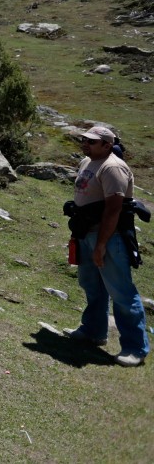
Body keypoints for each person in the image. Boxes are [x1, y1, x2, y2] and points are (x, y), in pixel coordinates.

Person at [63, 126, 149, 367]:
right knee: (91, 284)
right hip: (85, 233)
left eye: (92, 141)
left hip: (108, 237)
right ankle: (93, 331)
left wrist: (101, 244)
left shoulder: (113, 167)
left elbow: (114, 209)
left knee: (121, 291)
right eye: (84, 140)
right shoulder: (87, 162)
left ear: (107, 145)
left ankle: (135, 348)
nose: (85, 144)